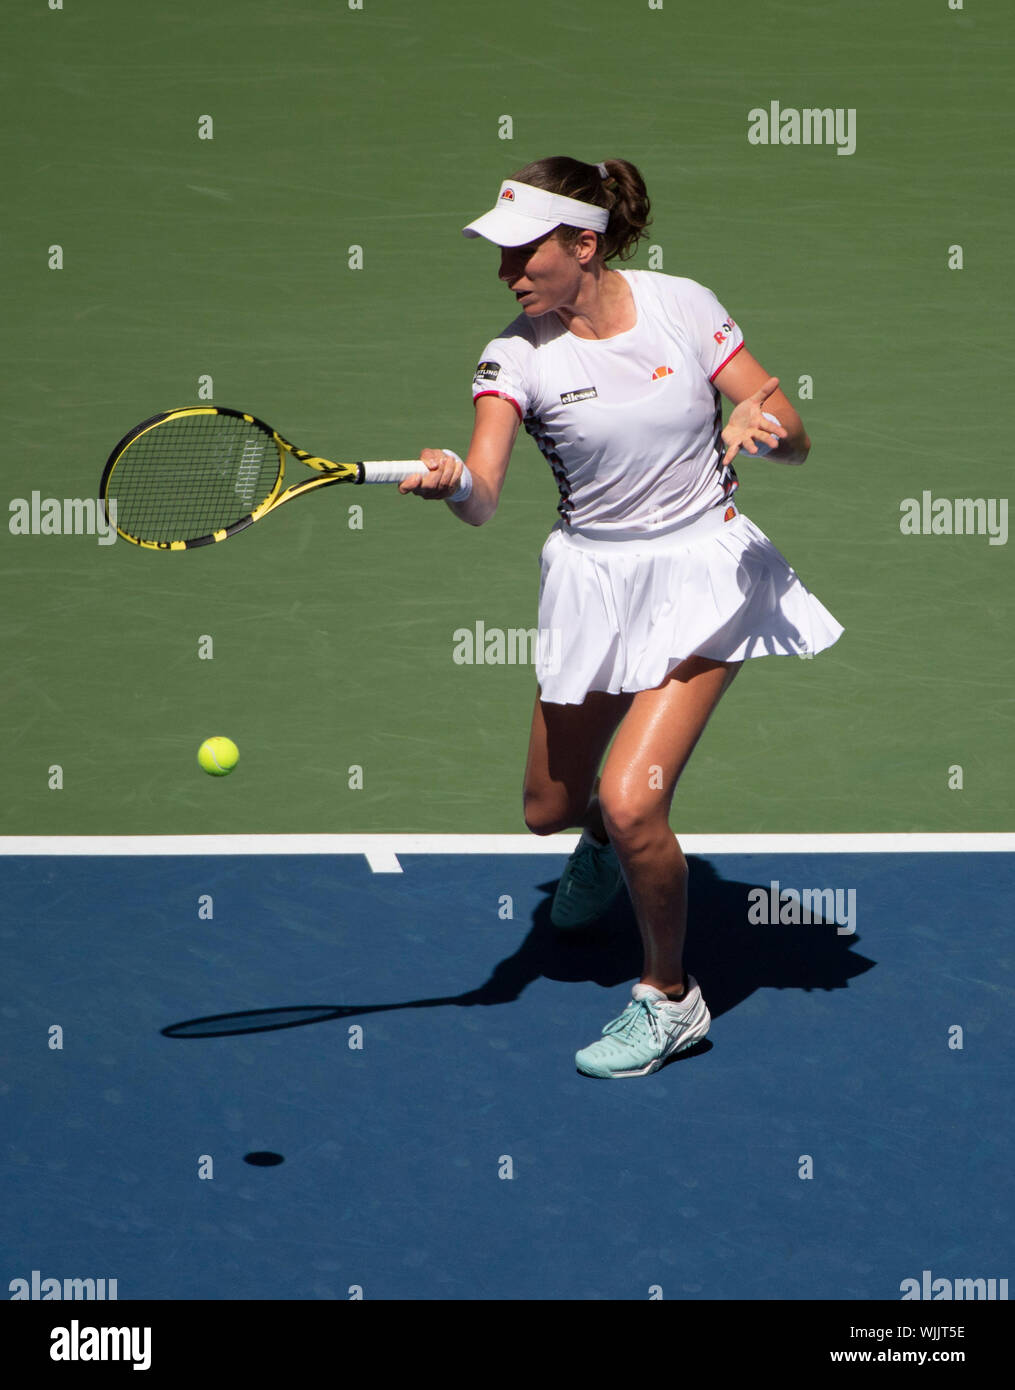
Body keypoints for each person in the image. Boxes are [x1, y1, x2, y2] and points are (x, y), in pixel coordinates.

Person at [402, 156, 843, 1079]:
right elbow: (484, 497)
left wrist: (760, 427)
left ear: (584, 245)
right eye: (501, 257)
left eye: (527, 253)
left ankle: (669, 999)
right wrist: (452, 482)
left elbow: (786, 422)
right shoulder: (513, 355)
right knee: (549, 810)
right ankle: (596, 841)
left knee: (633, 800)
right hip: (592, 585)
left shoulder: (683, 304)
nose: (510, 273)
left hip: (705, 570)